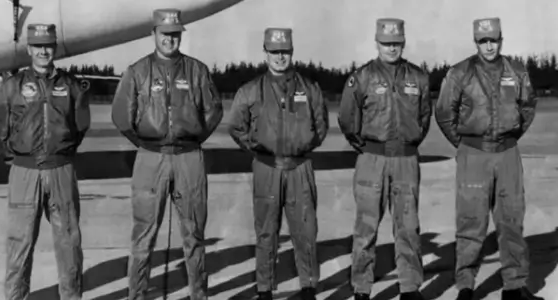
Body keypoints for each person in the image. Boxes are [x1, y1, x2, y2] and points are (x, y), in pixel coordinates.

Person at [111, 8, 223, 299]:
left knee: (194, 234)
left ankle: (199, 294)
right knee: (143, 235)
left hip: (189, 158)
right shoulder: (137, 72)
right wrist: (147, 142)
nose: (170, 40)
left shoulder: (197, 71)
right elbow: (122, 116)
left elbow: (213, 111)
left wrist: (193, 137)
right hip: (150, 159)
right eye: (165, 34)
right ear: (153, 35)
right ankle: (137, 295)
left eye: (175, 35)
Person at [435, 17, 543, 300]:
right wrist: (465, 144)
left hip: (507, 153)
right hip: (473, 155)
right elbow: (445, 112)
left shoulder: (516, 71)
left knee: (511, 220)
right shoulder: (460, 73)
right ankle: (466, 287)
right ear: (476, 42)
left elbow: (528, 107)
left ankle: (514, 286)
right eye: (483, 41)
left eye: (493, 39)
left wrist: (510, 136)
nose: (489, 45)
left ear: (501, 39)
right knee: (471, 222)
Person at [0, 23, 90, 300]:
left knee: (69, 242)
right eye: (38, 46)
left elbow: (80, 124)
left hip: (61, 170)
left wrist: (62, 152)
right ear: (29, 49)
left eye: (48, 45)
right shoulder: (12, 86)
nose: (43, 51)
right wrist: (16, 158)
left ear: (54, 48)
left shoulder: (70, 85)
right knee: (19, 244)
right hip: (25, 172)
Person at [227, 28, 329, 300]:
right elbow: (236, 126)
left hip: (300, 168)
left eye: (284, 51)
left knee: (305, 230)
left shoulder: (310, 89)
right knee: (266, 232)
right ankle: (264, 289)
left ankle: (308, 286)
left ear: (292, 52)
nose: (280, 57)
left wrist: (302, 145)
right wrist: (258, 146)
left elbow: (321, 126)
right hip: (266, 167)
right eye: (274, 51)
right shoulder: (250, 90)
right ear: (265, 53)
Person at [338, 18, 431, 300]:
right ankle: (362, 288)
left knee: (408, 226)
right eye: (386, 43)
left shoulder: (418, 77)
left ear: (403, 42)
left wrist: (408, 141)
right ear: (377, 43)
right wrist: (367, 146)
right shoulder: (362, 77)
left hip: (405, 159)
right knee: (366, 228)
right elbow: (347, 118)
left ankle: (410, 287)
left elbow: (423, 118)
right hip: (372, 159)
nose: (392, 48)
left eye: (396, 43)